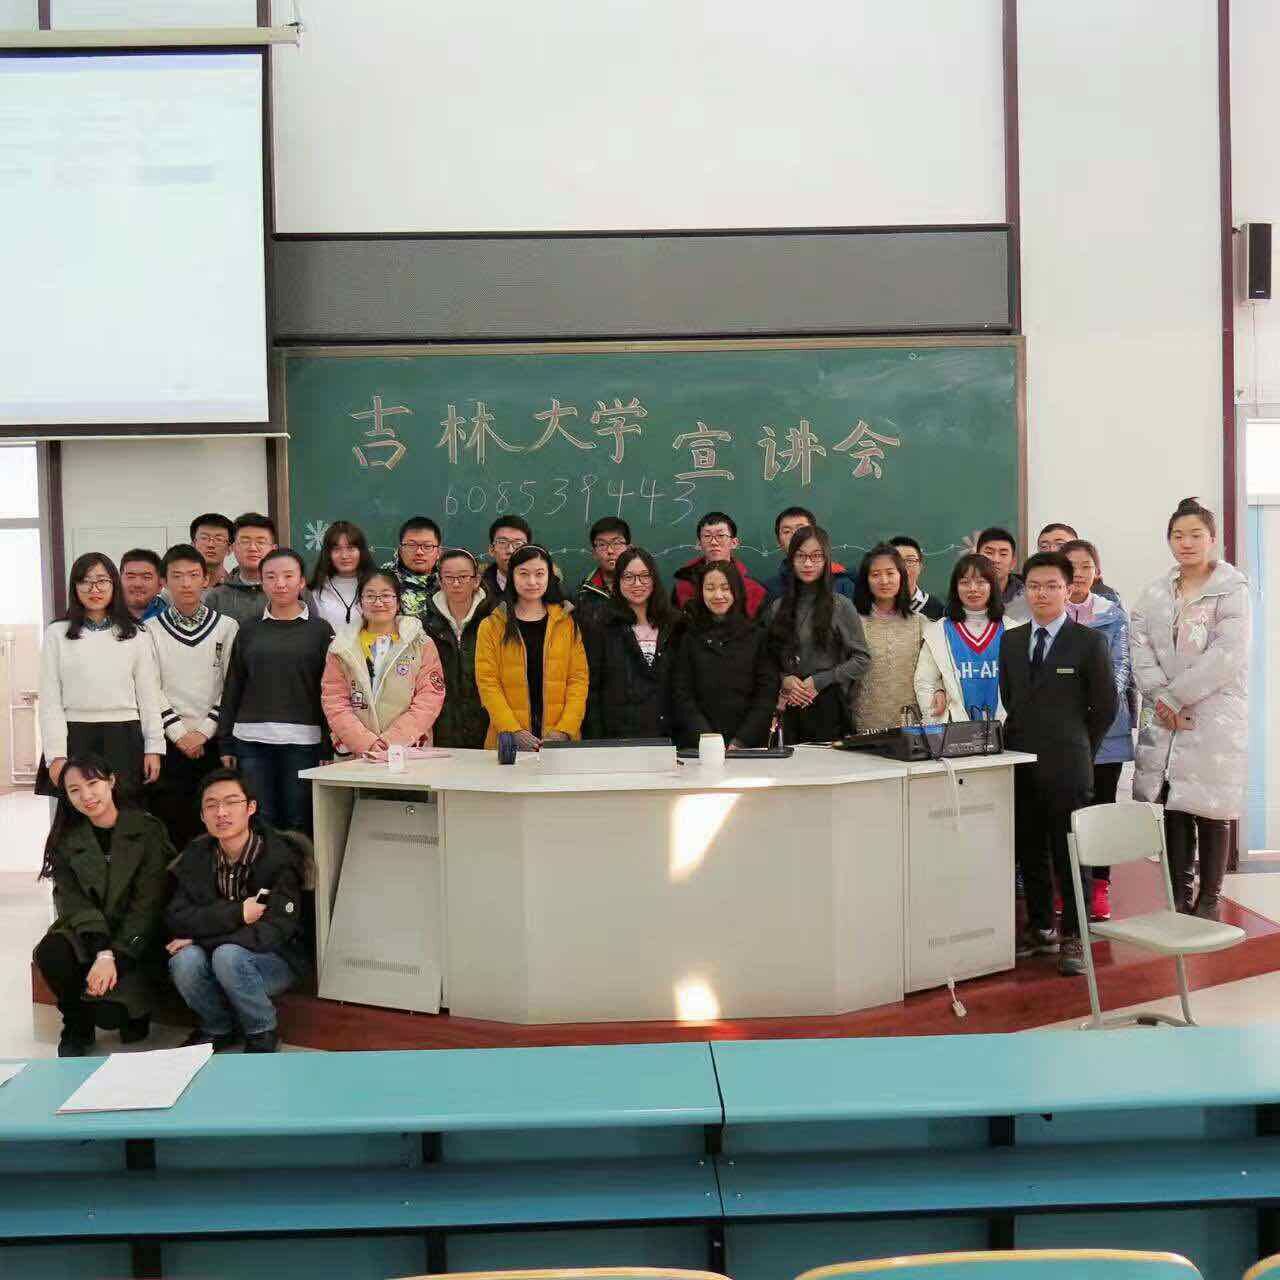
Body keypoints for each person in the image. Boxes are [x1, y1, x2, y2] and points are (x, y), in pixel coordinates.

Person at [999, 551, 1117, 976]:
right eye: (1034, 586)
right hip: (1021, 762)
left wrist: (1080, 747)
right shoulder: (1012, 641)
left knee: (1070, 853)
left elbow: (1105, 708)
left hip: (1069, 766)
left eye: (1052, 586)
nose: (1042, 594)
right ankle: (1041, 927)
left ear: (1068, 590)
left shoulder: (1089, 642)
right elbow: (1011, 699)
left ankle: (1074, 936)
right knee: (1030, 850)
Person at [1131, 497, 1249, 921]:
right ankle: (1178, 897)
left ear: (1212, 539)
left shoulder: (1231, 590)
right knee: (1172, 803)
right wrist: (1160, 696)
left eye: (1195, 535)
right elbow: (1139, 647)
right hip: (1164, 714)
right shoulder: (1154, 593)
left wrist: (1175, 696)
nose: (1186, 543)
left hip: (1213, 713)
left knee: (1210, 805)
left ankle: (1211, 899)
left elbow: (1227, 655)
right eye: (1178, 535)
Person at [33, 756, 171, 1056]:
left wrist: (116, 956)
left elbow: (148, 903)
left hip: (135, 938)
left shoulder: (148, 830)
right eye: (74, 790)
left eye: (93, 783)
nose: (86, 795)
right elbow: (71, 901)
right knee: (51, 951)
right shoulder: (66, 839)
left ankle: (128, 1005)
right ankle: (76, 1023)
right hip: (90, 934)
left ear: (111, 781)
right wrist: (102, 951)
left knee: (114, 1018)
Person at [166, 769, 310, 1054]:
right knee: (184, 960)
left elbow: (274, 931)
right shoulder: (196, 855)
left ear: (250, 807)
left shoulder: (279, 857)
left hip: (275, 959)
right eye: (211, 805)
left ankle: (262, 1029)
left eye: (231, 802)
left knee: (227, 955)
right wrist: (237, 914)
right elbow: (177, 916)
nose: (221, 812)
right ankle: (217, 1027)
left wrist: (202, 939)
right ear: (202, 816)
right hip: (220, 955)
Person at [217, 549, 333, 833]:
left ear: (301, 582)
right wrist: (226, 741)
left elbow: (329, 691)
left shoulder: (320, 631)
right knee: (260, 819)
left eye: (288, 576)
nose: (280, 583)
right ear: (262, 582)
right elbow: (234, 685)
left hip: (303, 742)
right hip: (251, 741)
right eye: (270, 577)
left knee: (299, 819)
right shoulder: (249, 629)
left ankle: (298, 864)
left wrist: (327, 743)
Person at [37, 553, 164, 797]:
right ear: (75, 587)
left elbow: (149, 697)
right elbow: (50, 702)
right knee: (78, 812)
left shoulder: (137, 634)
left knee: (126, 810)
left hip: (125, 737)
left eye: (102, 581)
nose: (94, 589)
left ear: (113, 584)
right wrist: (55, 755)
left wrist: (154, 748)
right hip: (75, 737)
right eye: (85, 581)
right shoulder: (56, 634)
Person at [147, 544, 240, 849]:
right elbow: (149, 688)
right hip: (169, 742)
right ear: (164, 582)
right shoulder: (149, 630)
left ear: (206, 579)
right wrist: (179, 734)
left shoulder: (227, 627)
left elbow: (230, 685)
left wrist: (203, 732)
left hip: (212, 741)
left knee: (218, 822)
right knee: (171, 823)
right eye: (177, 576)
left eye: (193, 575)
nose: (186, 583)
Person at [1062, 538, 1135, 922]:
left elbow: (1121, 669)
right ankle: (1070, 885)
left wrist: (1096, 709)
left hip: (1107, 728)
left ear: (1097, 571)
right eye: (1070, 566)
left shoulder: (1114, 615)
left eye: (1086, 566)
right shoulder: (1047, 615)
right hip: (1063, 731)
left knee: (1102, 808)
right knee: (1067, 810)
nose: (1078, 573)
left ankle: (1099, 886)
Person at [320, 570, 446, 756]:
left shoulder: (420, 643)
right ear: (360, 602)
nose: (378, 602)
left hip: (408, 750)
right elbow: (334, 700)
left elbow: (430, 698)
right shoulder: (341, 647)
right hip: (356, 753)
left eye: (386, 596)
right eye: (370, 596)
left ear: (398, 601)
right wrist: (365, 742)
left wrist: (392, 740)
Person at [474, 544, 588, 750]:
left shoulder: (566, 622)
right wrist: (513, 730)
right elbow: (487, 684)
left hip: (560, 743)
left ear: (549, 577)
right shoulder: (492, 625)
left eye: (539, 574)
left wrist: (564, 730)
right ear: (512, 577)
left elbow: (578, 681)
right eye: (523, 574)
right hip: (506, 741)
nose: (532, 581)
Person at [764, 526, 870, 743]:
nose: (808, 563)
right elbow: (769, 659)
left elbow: (862, 659)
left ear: (826, 560)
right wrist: (785, 680)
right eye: (800, 556)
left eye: (816, 556)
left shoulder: (840, 605)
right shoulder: (777, 607)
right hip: (790, 705)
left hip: (828, 705)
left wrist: (819, 681)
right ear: (791, 560)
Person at [672, 560, 779, 749]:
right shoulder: (689, 637)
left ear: (736, 591)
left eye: (725, 588)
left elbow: (766, 695)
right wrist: (706, 738)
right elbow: (682, 694)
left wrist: (741, 740)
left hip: (748, 745)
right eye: (710, 588)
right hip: (699, 745)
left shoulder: (757, 637)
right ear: (701, 593)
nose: (718, 595)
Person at [585, 546, 684, 740]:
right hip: (619, 738)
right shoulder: (602, 626)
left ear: (654, 579)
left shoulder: (675, 624)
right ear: (618, 581)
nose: (637, 584)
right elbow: (593, 690)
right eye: (628, 577)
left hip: (671, 736)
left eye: (644, 576)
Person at [914, 553, 1006, 723]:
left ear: (992, 586)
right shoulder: (938, 631)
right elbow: (925, 682)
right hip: (954, 731)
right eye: (964, 582)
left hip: (1006, 730)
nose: (973, 588)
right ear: (955, 588)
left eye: (981, 582)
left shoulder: (1012, 629)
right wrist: (940, 721)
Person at [421, 548, 498, 748]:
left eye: (463, 577)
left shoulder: (495, 621)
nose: (456, 583)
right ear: (440, 581)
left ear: (476, 580)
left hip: (488, 727)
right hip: (441, 728)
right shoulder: (425, 625)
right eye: (449, 577)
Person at [851, 543, 925, 732]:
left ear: (901, 576)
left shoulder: (921, 623)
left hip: (911, 726)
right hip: (864, 726)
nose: (884, 580)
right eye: (875, 574)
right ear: (866, 580)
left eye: (890, 573)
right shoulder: (853, 622)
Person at [672, 512, 768, 617]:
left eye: (721, 535)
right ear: (699, 544)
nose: (714, 542)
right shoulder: (683, 588)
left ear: (734, 543)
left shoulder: (754, 590)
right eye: (707, 536)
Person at [763, 506, 856, 605]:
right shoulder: (769, 589)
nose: (795, 536)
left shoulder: (842, 584)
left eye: (801, 529)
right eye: (787, 531)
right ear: (779, 542)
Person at [205, 513, 278, 626]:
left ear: (273, 549)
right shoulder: (216, 597)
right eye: (245, 541)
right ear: (233, 547)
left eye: (261, 542)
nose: (252, 548)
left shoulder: (290, 591)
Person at [308, 520, 376, 632]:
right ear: (328, 554)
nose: (344, 556)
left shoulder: (377, 587)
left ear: (361, 551)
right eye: (337, 549)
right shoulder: (313, 593)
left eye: (351, 548)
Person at [575, 516, 632, 637]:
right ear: (594, 553)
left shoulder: (643, 587)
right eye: (602, 545)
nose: (610, 551)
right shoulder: (583, 594)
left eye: (617, 543)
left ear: (629, 548)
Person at [1039, 522, 1122, 604]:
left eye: (1060, 544)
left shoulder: (1106, 597)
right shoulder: (1034, 590)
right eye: (1044, 546)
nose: (1052, 550)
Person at [383, 515, 443, 620]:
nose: (419, 552)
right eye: (411, 545)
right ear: (400, 550)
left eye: (427, 546)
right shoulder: (383, 579)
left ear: (438, 552)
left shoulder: (449, 578)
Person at [890, 535, 945, 622]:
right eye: (896, 561)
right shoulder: (871, 607)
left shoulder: (938, 610)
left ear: (920, 567)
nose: (903, 567)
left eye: (910, 561)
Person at [480, 515, 532, 598]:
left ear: (528, 550)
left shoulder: (545, 587)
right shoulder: (477, 589)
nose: (510, 551)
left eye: (518, 544)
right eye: (502, 542)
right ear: (492, 550)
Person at [977, 527, 1025, 610]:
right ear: (976, 558)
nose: (995, 560)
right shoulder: (962, 593)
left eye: (1003, 554)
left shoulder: (1026, 596)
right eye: (989, 552)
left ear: (1013, 563)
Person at [190, 512, 235, 588]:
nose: (210, 545)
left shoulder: (238, 588)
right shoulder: (176, 588)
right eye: (204, 538)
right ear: (193, 545)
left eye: (219, 539)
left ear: (230, 548)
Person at [120, 548, 165, 622]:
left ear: (160, 585)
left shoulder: (173, 621)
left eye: (146, 577)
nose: (137, 584)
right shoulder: (104, 617)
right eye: (131, 577)